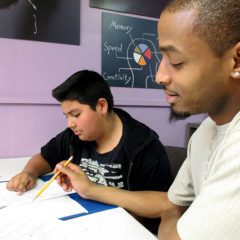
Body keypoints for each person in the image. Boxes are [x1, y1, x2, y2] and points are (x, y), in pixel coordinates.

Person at [51, 0, 240, 239]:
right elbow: (171, 206)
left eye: (177, 62)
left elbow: (170, 223)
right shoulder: (206, 131)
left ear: (237, 60)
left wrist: (172, 219)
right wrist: (90, 189)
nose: (159, 76)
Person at [7, 69, 172, 232]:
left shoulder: (144, 145)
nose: (70, 124)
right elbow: (45, 156)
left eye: (76, 114)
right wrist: (29, 172)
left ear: (101, 106)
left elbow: (165, 204)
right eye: (67, 116)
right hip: (81, 225)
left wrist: (91, 190)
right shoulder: (75, 136)